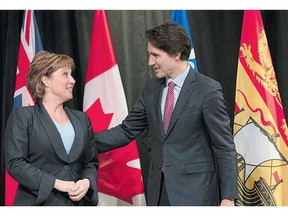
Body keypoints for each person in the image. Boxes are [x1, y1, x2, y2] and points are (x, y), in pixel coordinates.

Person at [95, 22, 238, 206]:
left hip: (196, 193)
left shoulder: (207, 90)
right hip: (159, 192)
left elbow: (224, 146)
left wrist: (228, 197)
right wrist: (82, 141)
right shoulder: (151, 88)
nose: (150, 62)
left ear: (176, 54)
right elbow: (126, 130)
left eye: (155, 55)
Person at [4, 51, 98, 206]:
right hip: (38, 203)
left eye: (71, 74)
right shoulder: (23, 116)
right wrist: (56, 183)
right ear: (45, 79)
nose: (73, 80)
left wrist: (87, 181)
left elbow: (91, 162)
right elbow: (16, 163)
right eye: (65, 74)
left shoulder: (82, 119)